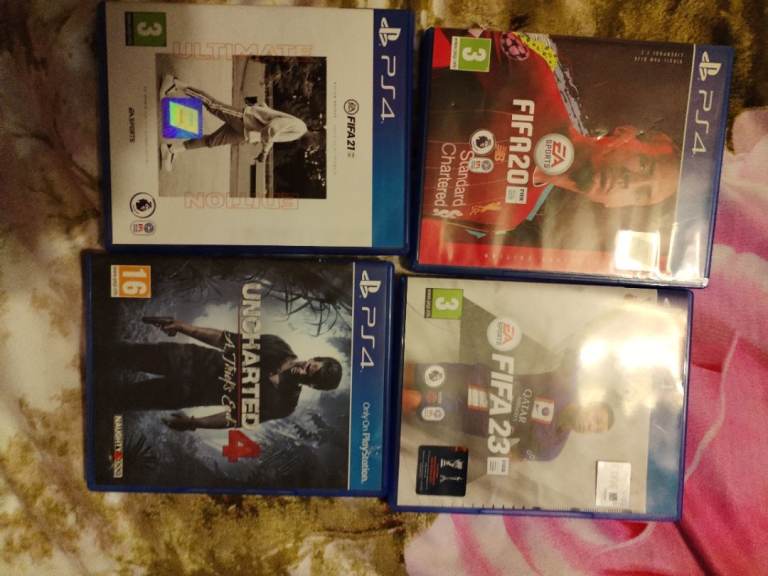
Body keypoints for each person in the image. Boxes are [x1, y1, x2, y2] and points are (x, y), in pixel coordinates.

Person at [422, 29, 681, 239]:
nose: (630, 182)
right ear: (626, 133)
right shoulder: (535, 80)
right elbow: (443, 40)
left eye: (641, 194)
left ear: (614, 205)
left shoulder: (509, 219)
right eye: (644, 165)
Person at [111, 318, 342, 431]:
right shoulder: (277, 346)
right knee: (118, 354)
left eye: (309, 377)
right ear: (314, 358)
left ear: (313, 386)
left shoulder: (285, 404)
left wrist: (194, 423)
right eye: (311, 365)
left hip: (185, 393)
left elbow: (235, 417)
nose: (304, 369)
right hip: (184, 357)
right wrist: (182, 327)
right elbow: (225, 340)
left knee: (120, 399)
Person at [402, 361, 614, 465]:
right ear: (592, 403)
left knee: (413, 400)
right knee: (415, 374)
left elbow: (515, 455)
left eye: (596, 429)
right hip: (476, 379)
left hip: (466, 417)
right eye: (596, 419)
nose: (591, 426)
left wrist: (487, 457)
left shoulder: (551, 449)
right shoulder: (565, 386)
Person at [158, 74, 314, 171]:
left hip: (245, 133)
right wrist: (263, 146)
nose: (311, 148)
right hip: (245, 120)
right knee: (213, 106)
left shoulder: (299, 133)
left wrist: (264, 151)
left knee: (212, 141)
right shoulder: (300, 128)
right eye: (315, 145)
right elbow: (273, 128)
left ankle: (172, 150)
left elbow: (274, 134)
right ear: (317, 135)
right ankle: (176, 84)